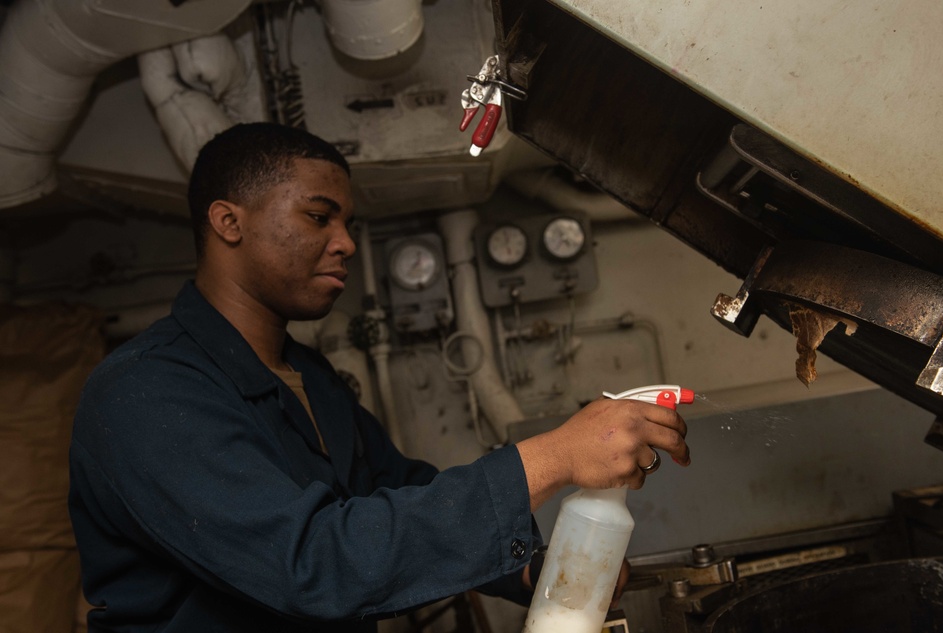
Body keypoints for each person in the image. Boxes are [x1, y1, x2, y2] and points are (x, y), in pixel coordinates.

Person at [68, 122, 690, 632]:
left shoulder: (309, 376)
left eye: (349, 226)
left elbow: (392, 491)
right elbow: (312, 562)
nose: (346, 244)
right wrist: (552, 457)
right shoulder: (144, 394)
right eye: (319, 217)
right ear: (229, 222)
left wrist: (530, 571)